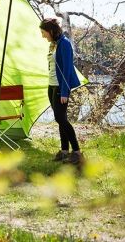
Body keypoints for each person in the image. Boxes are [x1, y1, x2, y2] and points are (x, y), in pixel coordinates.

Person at [39, 18, 84, 166]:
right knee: (60, 119)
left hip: (60, 87)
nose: (42, 36)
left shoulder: (64, 44)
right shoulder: (53, 44)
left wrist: (65, 92)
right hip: (51, 86)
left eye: (44, 32)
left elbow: (67, 69)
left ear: (51, 31)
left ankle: (77, 152)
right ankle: (64, 151)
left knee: (61, 119)